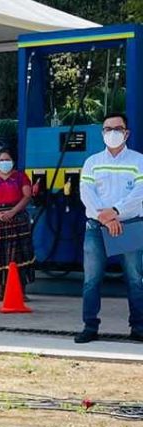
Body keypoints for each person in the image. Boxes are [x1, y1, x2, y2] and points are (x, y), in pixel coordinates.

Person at [75, 113, 143, 343]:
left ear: (127, 133)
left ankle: (139, 327)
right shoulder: (92, 162)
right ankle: (89, 326)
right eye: (107, 128)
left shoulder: (138, 161)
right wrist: (106, 218)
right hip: (96, 227)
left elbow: (139, 194)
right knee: (91, 279)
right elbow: (87, 194)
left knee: (135, 278)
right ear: (102, 132)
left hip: (129, 226)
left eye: (117, 128)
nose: (112, 132)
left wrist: (115, 212)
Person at [0, 148, 35, 303]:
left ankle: (21, 290)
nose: (4, 163)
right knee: (0, 255)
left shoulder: (20, 177)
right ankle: (1, 291)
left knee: (19, 255)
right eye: (1, 160)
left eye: (7, 159)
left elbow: (27, 196)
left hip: (17, 218)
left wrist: (13, 212)